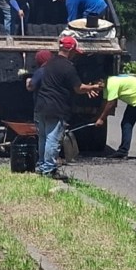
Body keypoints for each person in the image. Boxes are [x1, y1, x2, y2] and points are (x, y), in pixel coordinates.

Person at [31, 36, 102, 179]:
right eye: (75, 52)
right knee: (53, 139)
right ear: (70, 50)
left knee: (43, 138)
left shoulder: (49, 63)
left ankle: (41, 165)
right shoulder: (68, 67)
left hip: (41, 105)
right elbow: (78, 88)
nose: (75, 55)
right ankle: (49, 170)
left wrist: (87, 88)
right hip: (56, 107)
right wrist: (93, 87)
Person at [95, 75, 136, 162]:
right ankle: (123, 151)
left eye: (96, 84)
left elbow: (111, 103)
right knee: (126, 124)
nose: (96, 87)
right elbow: (105, 103)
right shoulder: (106, 88)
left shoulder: (112, 84)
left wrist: (101, 119)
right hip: (134, 101)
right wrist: (98, 117)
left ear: (101, 80)